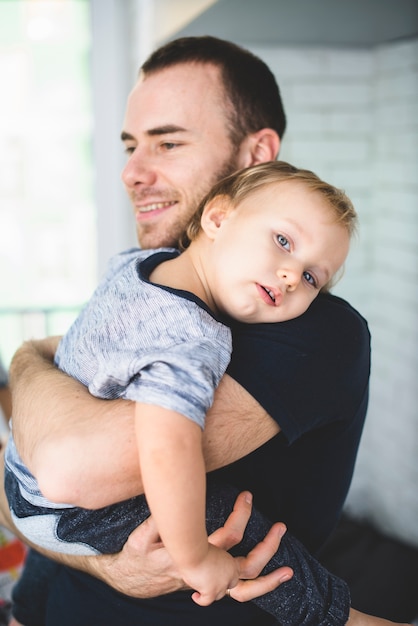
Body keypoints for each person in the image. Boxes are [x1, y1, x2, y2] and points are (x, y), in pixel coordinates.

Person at [1, 36, 406, 626]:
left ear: (256, 155)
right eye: (132, 146)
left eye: (167, 142)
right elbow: (30, 494)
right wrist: (107, 567)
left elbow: (63, 467)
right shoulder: (144, 279)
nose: (133, 173)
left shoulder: (310, 329)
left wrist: (31, 363)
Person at [5, 160, 356, 619]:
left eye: (312, 277)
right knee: (234, 519)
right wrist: (195, 557)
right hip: (65, 513)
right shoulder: (197, 338)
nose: (292, 275)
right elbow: (167, 443)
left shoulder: (135, 264)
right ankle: (338, 615)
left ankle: (23, 610)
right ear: (217, 218)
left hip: (19, 478)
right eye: (284, 241)